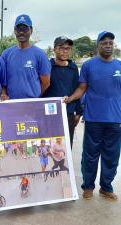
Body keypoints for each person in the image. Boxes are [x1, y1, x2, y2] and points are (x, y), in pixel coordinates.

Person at [65, 31, 121, 201]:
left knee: (111, 156)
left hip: (115, 120)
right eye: (104, 42)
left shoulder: (119, 66)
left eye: (111, 42)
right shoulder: (89, 66)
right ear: (98, 45)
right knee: (90, 155)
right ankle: (88, 186)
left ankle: (106, 187)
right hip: (93, 118)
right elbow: (82, 88)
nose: (108, 45)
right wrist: (70, 99)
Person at [44, 36, 82, 147]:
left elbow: (77, 88)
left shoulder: (73, 67)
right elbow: (42, 88)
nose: (65, 51)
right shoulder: (47, 66)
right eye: (61, 48)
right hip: (50, 114)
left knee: (66, 146)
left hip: (68, 114)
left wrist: (79, 112)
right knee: (51, 144)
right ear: (54, 49)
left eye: (68, 48)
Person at [2, 14, 51, 99]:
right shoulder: (6, 54)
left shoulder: (40, 54)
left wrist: (35, 97)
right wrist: (4, 95)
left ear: (31, 30)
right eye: (19, 29)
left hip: (32, 105)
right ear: (14, 31)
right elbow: (2, 81)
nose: (21, 32)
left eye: (25, 29)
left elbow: (46, 83)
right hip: (10, 105)